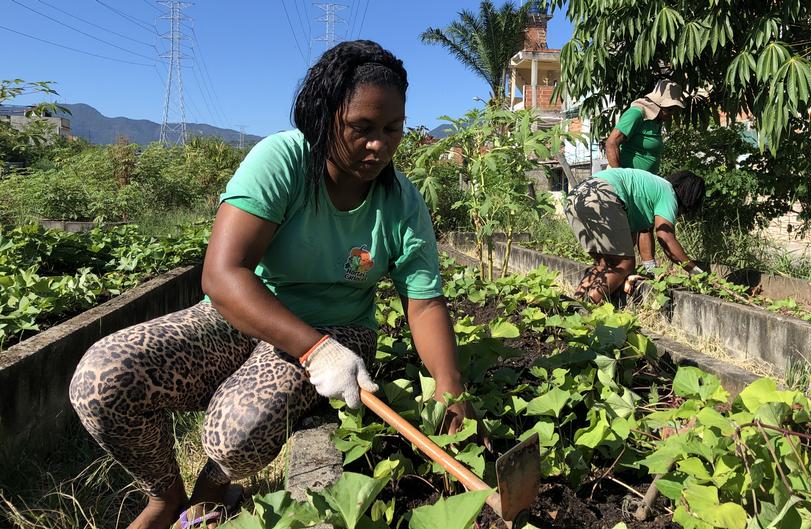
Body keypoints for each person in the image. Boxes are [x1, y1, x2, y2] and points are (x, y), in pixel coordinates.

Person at [69, 40, 472, 529]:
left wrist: (450, 390)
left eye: (393, 129)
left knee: (237, 433)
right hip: (245, 317)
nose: (380, 144)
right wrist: (312, 349)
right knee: (103, 378)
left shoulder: (401, 202)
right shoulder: (283, 162)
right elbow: (223, 274)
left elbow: (424, 303)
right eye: (362, 128)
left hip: (341, 327)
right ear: (325, 119)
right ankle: (163, 495)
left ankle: (214, 488)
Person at [565, 168, 705, 303]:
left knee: (605, 264)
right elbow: (665, 237)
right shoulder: (669, 193)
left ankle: (574, 306)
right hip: (602, 195)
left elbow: (635, 237)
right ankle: (588, 307)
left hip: (577, 197)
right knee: (624, 265)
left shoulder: (649, 190)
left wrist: (650, 270)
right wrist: (695, 271)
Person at [604, 79, 686, 275]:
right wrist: (622, 177)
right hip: (626, 183)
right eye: (670, 109)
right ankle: (614, 274)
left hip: (643, 185)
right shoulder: (636, 114)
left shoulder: (656, 122)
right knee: (628, 233)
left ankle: (649, 270)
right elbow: (611, 143)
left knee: (644, 224)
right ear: (659, 105)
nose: (671, 114)